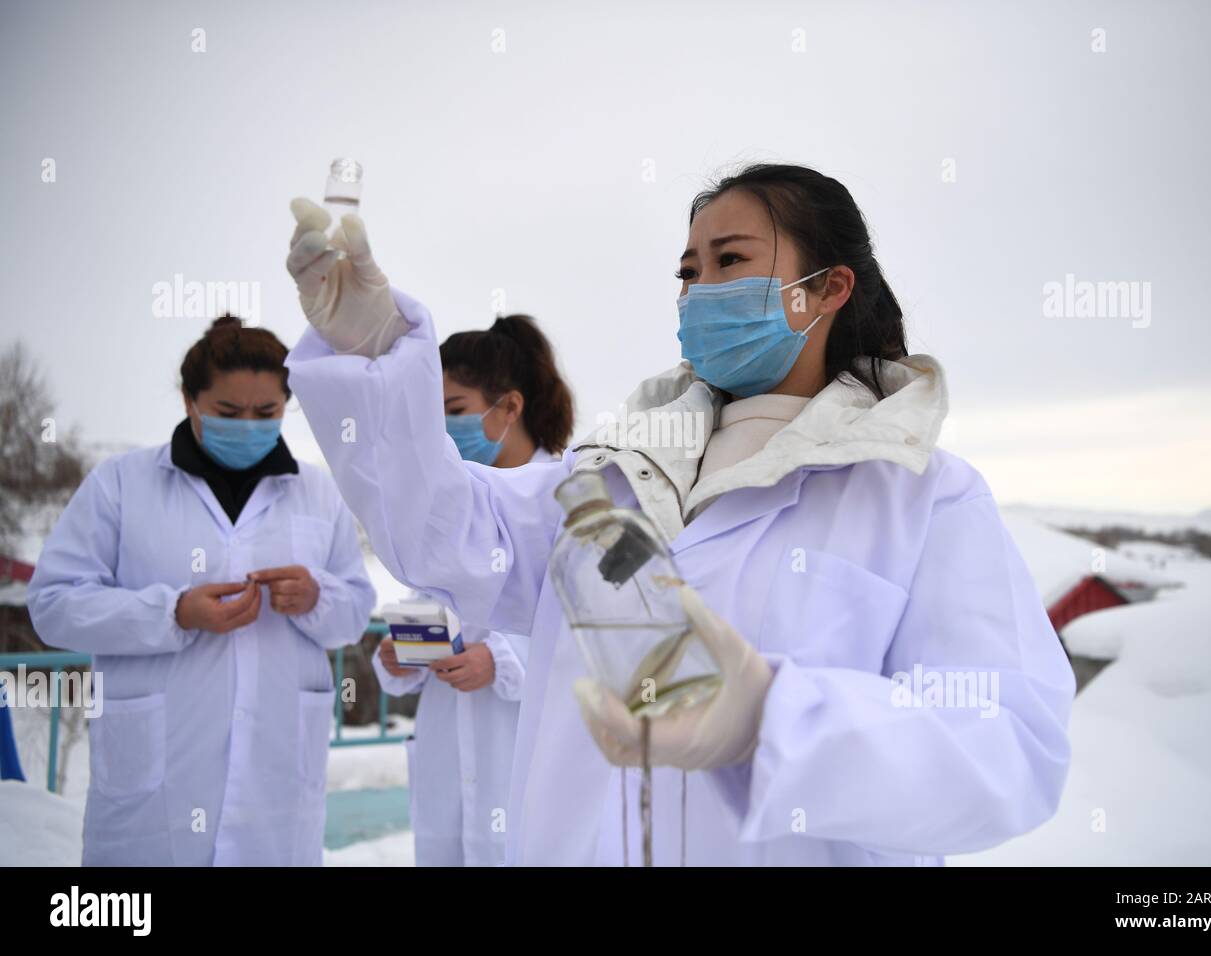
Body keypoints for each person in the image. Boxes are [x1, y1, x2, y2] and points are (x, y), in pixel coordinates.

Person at [282, 162, 1076, 866]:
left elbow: (1007, 744)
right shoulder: (614, 476)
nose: (699, 290)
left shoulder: (920, 496)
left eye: (731, 261)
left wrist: (772, 720)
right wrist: (375, 356)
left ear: (828, 289)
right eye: (689, 271)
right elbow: (445, 534)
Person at [27, 316, 376, 865]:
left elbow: (355, 610)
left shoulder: (317, 494)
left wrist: (317, 599)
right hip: (153, 798)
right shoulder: (122, 484)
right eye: (228, 413)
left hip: (277, 791)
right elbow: (53, 605)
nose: (250, 427)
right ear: (190, 401)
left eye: (267, 413)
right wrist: (173, 612)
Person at [372, 314, 573, 866]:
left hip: (530, 761)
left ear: (508, 408)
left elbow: (599, 636)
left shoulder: (573, 498)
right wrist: (404, 652)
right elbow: (425, 608)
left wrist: (503, 660)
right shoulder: (443, 508)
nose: (438, 431)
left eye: (453, 411)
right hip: (445, 754)